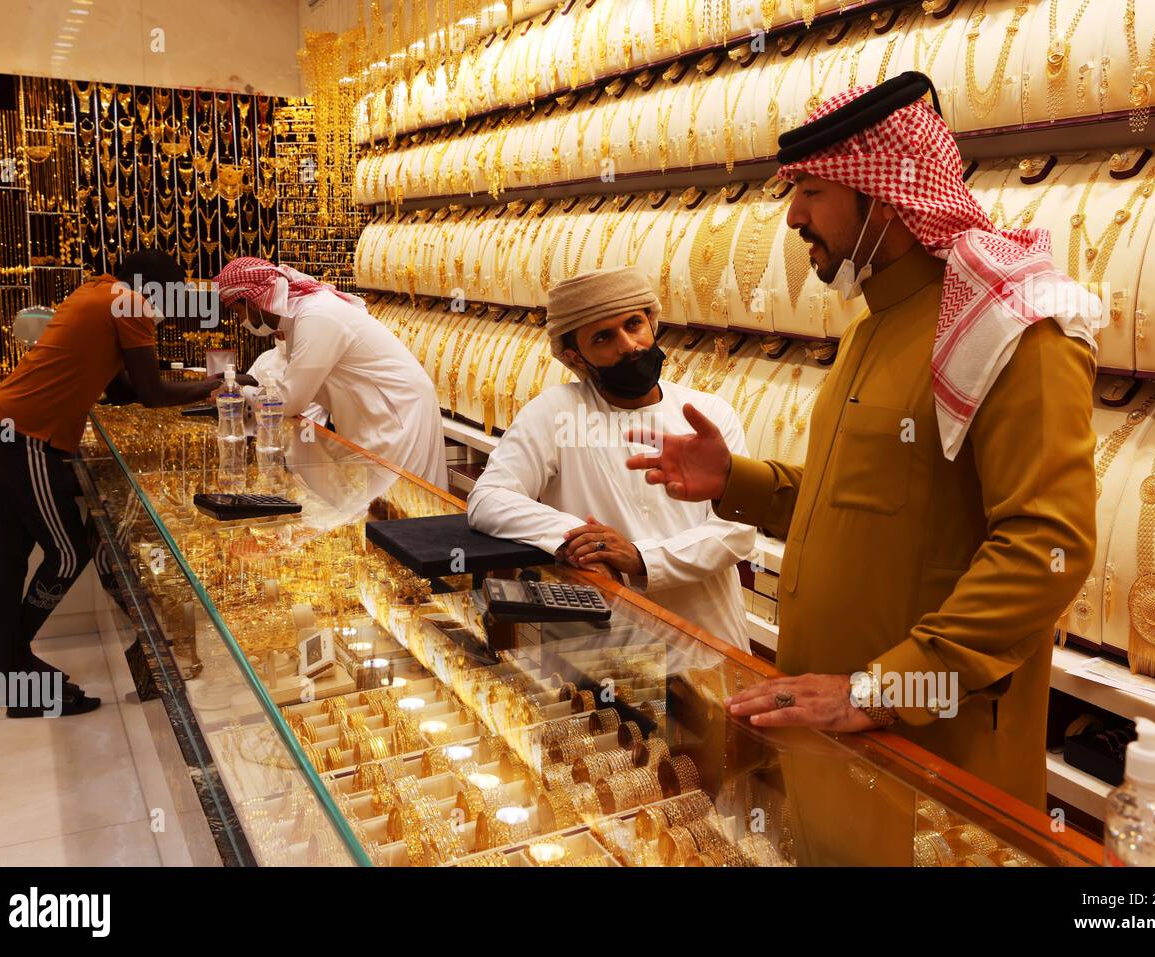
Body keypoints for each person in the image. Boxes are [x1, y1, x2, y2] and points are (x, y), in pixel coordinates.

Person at [626, 72, 1100, 820]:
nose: (792, 217)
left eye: (812, 190)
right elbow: (871, 501)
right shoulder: (872, 327)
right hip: (835, 754)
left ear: (881, 194)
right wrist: (735, 481)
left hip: (934, 769)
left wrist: (880, 690)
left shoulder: (1016, 331)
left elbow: (1047, 548)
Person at [0, 250, 223, 716]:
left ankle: (2, 675)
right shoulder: (128, 303)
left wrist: (187, 382)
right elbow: (151, 394)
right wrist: (214, 385)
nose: (165, 308)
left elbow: (123, 389)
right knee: (68, 553)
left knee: (7, 558)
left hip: (4, 422)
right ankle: (13, 665)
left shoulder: (96, 292)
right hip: (29, 435)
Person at [468, 266, 755, 651]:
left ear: (652, 324)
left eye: (634, 324)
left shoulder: (709, 413)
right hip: (600, 649)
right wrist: (577, 540)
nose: (629, 345)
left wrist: (640, 558)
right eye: (604, 337)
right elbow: (488, 499)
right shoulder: (555, 412)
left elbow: (735, 531)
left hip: (706, 642)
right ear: (577, 357)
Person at [213, 258, 447, 487]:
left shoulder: (316, 315)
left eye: (238, 312)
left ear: (252, 302)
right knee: (379, 508)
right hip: (379, 414)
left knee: (406, 508)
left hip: (400, 413)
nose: (242, 320)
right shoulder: (303, 316)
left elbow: (290, 401)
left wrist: (237, 394)